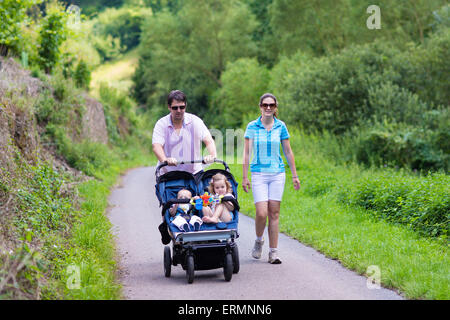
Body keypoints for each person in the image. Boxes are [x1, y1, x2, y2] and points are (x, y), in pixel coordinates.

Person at [242, 93, 301, 264]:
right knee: (261, 213)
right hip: (259, 174)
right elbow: (246, 153)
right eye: (265, 105)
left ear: (275, 107)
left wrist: (295, 175)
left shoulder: (281, 126)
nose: (268, 108)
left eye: (271, 105)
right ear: (260, 106)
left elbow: (288, 152)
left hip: (277, 174)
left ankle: (273, 252)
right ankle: (259, 240)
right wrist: (245, 177)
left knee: (274, 213)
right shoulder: (252, 126)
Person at [152, 90, 217, 175]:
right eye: (175, 108)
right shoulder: (161, 124)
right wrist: (165, 160)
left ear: (185, 106)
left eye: (181, 107)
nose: (178, 110)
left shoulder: (195, 121)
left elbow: (209, 141)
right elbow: (156, 146)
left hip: (193, 173)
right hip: (168, 174)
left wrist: (212, 155)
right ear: (169, 107)